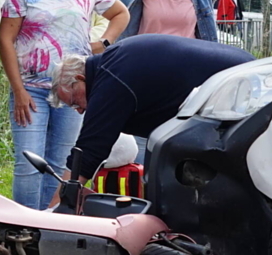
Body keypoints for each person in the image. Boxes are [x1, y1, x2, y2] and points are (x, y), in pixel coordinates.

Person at [0, 0, 130, 209]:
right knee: (28, 165)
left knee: (60, 166)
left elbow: (121, 13)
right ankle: (20, 226)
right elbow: (4, 39)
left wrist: (103, 44)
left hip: (73, 92)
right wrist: (17, 89)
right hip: (30, 90)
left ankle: (49, 227)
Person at [48, 34, 253, 199]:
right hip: (241, 72)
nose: (80, 110)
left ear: (80, 78)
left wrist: (55, 212)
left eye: (75, 101)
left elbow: (87, 152)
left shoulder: (110, 79)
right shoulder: (113, 63)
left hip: (241, 85)